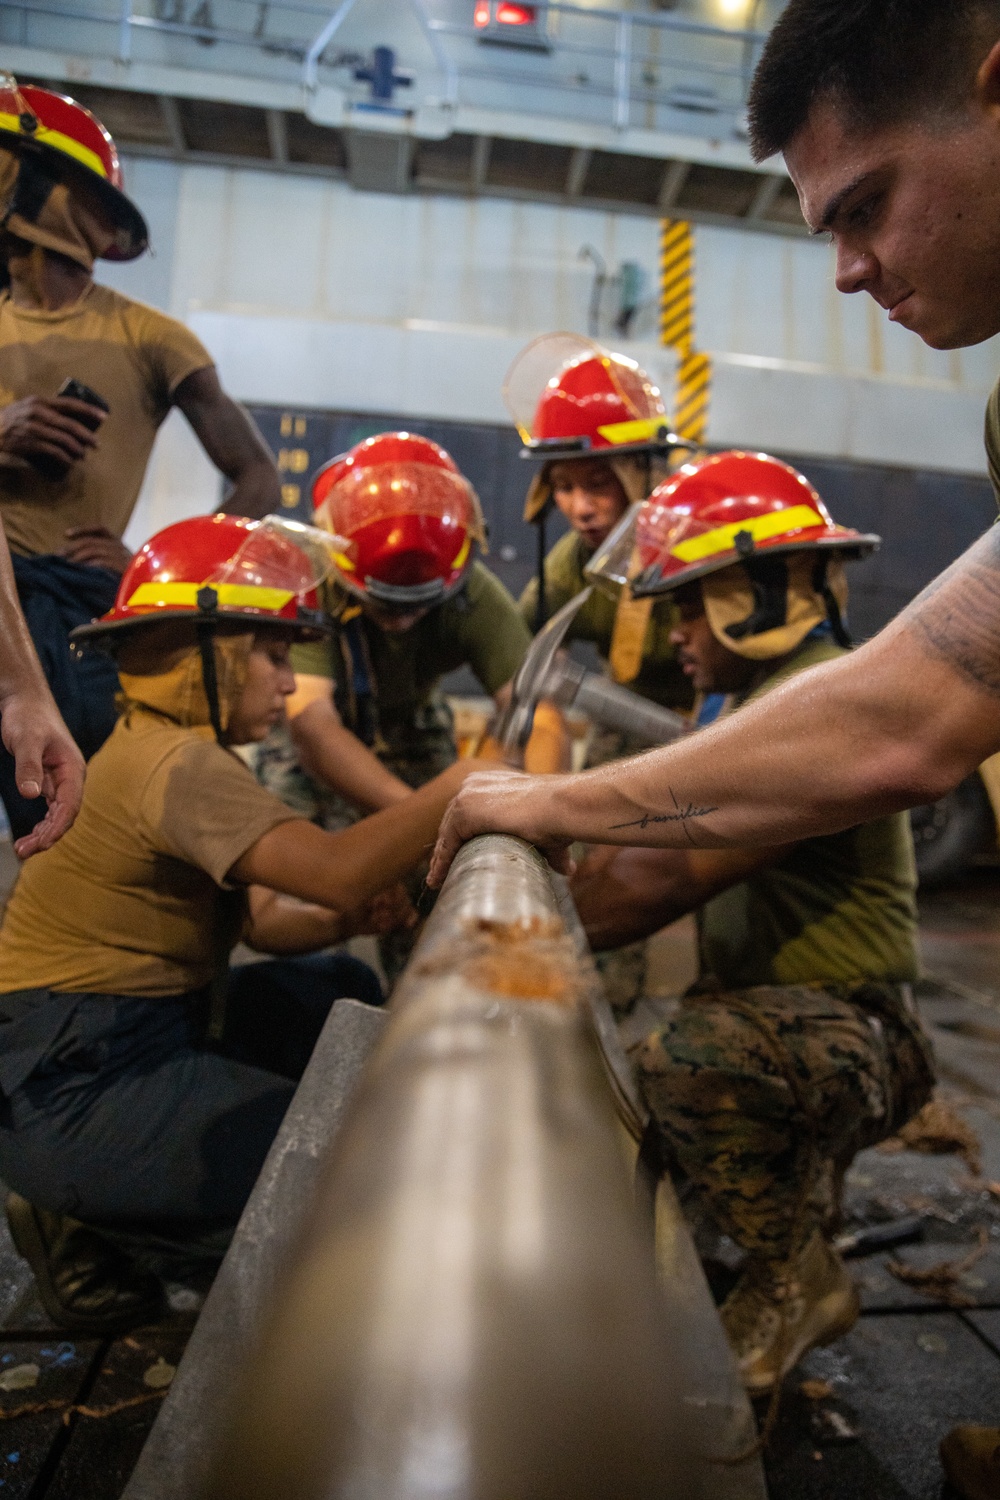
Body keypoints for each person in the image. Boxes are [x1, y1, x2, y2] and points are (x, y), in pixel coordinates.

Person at [428, 2, 1000, 1490]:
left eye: (865, 205)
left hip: (840, 1015)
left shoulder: (784, 676)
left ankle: (784, 1267)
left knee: (666, 1060)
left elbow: (902, 715)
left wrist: (543, 831)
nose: (848, 268)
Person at [0, 512, 483, 1334]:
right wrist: (469, 782)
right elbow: (335, 873)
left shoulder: (165, 748)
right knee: (340, 1170)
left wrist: (349, 922)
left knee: (341, 987)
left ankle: (109, 1206)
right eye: (269, 653)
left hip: (105, 1038)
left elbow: (265, 923)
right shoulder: (177, 764)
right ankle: (93, 1226)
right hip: (78, 1077)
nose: (289, 682)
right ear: (206, 653)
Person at [567, 451, 933, 1393]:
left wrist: (516, 926)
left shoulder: (816, 707)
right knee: (643, 1218)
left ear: (757, 593)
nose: (676, 629)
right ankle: (798, 1204)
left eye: (692, 603)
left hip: (856, 1029)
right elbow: (641, 842)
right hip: (804, 1017)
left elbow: (659, 881)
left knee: (689, 1062)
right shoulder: (762, 696)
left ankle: (795, 1280)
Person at [0, 77, 282, 840]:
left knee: (74, 824)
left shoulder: (149, 336)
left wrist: (160, 577)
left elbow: (259, 475)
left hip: (75, 610)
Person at [509, 333, 693, 714]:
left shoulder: (698, 550)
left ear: (641, 476)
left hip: (722, 724)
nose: (581, 509)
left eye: (598, 484)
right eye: (563, 487)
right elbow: (518, 640)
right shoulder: (572, 565)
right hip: (627, 721)